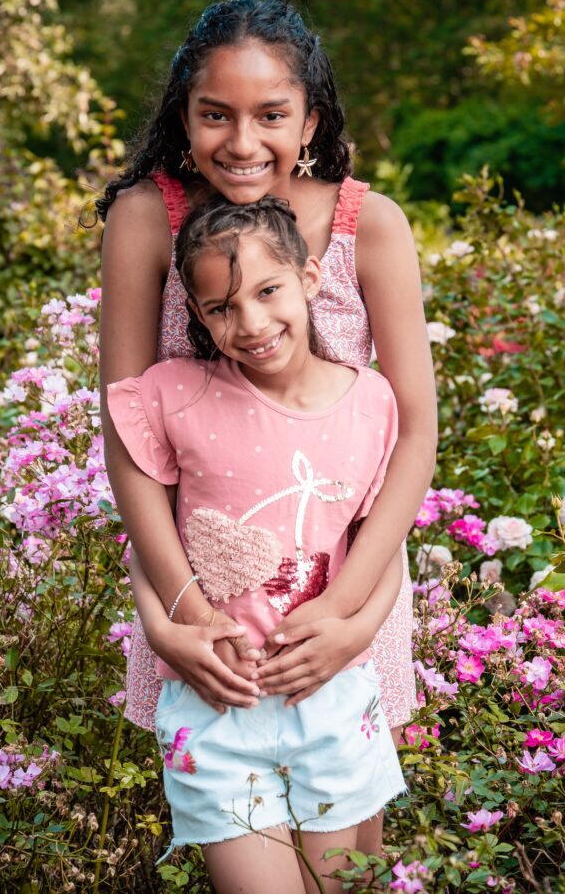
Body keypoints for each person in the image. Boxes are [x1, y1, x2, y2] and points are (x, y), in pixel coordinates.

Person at [97, 0, 437, 859]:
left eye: (271, 116)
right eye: (215, 114)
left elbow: (412, 432)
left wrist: (350, 615)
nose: (242, 141)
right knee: (240, 831)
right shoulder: (146, 217)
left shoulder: (368, 225)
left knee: (346, 861)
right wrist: (175, 615)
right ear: (184, 117)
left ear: (310, 120)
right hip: (204, 603)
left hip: (349, 592)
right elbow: (128, 436)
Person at [106, 196, 407, 893]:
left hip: (329, 694)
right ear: (196, 313)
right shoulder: (172, 394)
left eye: (268, 291)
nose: (250, 324)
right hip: (213, 708)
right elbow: (149, 540)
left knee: (342, 883)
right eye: (222, 308)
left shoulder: (370, 403)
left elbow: (382, 548)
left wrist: (354, 626)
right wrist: (164, 626)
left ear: (310, 278)